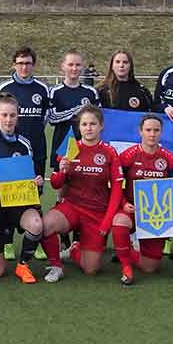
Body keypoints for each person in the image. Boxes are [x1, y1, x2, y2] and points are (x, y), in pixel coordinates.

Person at [38, 105, 122, 282]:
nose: (88, 128)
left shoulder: (109, 152)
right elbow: (55, 184)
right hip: (72, 207)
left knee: (91, 269)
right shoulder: (70, 148)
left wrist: (107, 222)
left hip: (96, 212)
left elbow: (116, 190)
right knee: (46, 225)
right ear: (79, 127)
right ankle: (56, 266)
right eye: (84, 124)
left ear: (101, 126)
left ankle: (75, 249)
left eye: (93, 124)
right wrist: (61, 171)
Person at [0, 93, 44, 284]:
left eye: (12, 115)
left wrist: (36, 181)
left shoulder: (25, 144)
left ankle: (23, 265)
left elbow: (30, 175)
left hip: (18, 204)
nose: (8, 119)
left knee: (36, 225)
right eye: (4, 115)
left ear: (18, 116)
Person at [112, 114, 173, 285]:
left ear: (161, 132)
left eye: (156, 130)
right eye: (148, 130)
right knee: (119, 222)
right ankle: (126, 265)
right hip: (132, 209)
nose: (152, 134)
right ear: (140, 131)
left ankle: (125, 250)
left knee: (150, 268)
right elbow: (116, 184)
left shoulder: (169, 158)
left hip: (154, 215)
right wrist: (123, 204)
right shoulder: (128, 156)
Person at [0, 47, 50, 180]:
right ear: (14, 64)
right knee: (11, 185)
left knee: (36, 186)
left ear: (33, 65)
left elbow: (45, 116)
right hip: (11, 145)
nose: (24, 67)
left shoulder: (43, 89)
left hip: (36, 144)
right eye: (20, 63)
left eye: (28, 63)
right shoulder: (3, 88)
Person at [47, 50, 98, 172]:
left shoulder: (91, 92)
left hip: (87, 147)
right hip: (63, 147)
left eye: (78, 65)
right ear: (63, 66)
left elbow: (99, 119)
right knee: (61, 186)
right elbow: (52, 118)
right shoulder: (55, 91)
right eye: (70, 65)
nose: (74, 68)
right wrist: (76, 111)